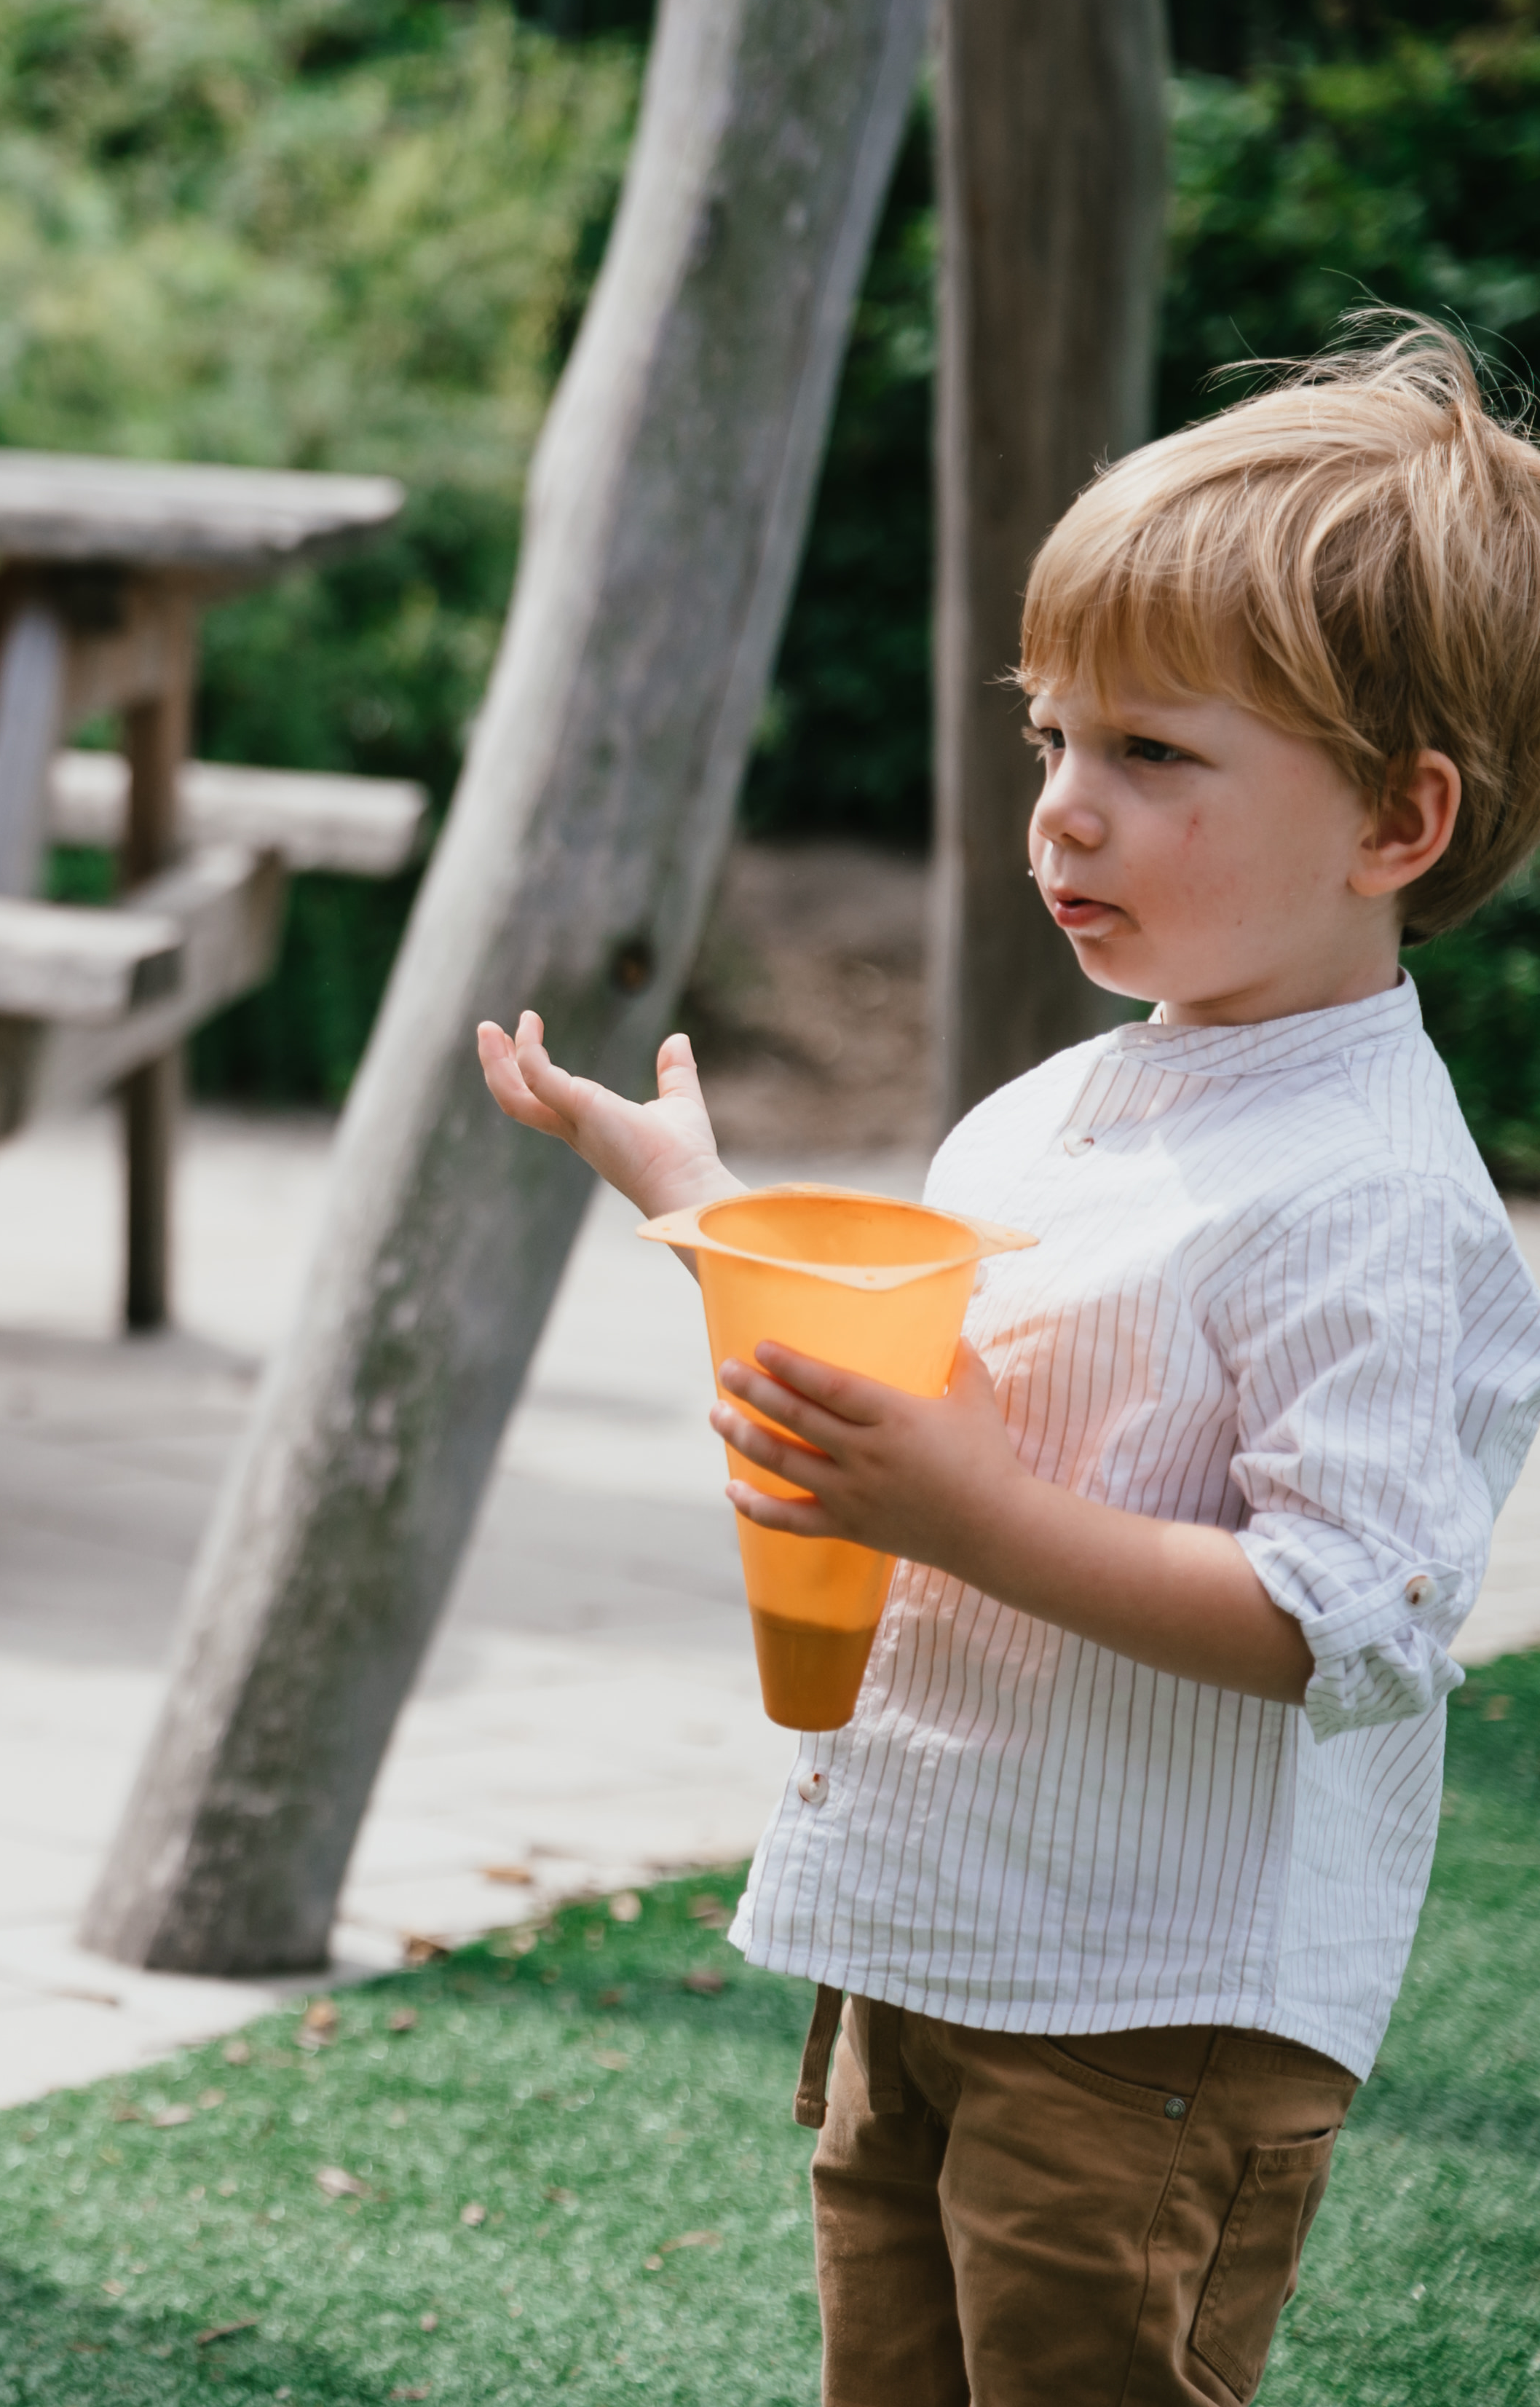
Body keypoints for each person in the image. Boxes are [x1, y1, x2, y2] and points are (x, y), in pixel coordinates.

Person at [475, 321, 1540, 2406]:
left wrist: (965, 1511)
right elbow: (933, 1381)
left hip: (1151, 2020)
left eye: (1156, 757)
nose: (1064, 812)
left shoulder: (1372, 1201)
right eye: (1052, 739)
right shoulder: (1061, 1114)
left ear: (1397, 822)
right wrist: (707, 1210)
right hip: (943, 1933)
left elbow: (1354, 1622)